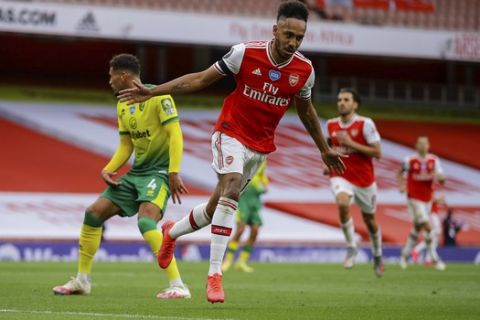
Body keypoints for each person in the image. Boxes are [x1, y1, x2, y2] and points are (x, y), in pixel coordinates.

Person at [119, 0, 345, 303]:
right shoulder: (244, 53)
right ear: (275, 30)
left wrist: (324, 149)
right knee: (232, 188)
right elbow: (200, 79)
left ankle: (171, 232)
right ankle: (214, 275)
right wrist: (154, 89)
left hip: (260, 147)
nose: (292, 42)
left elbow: (306, 111)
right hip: (229, 132)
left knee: (216, 209)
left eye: (299, 38)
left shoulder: (304, 71)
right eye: (288, 34)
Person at [52, 53, 191, 299]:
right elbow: (126, 145)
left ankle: (178, 285)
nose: (109, 81)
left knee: (146, 220)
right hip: (136, 173)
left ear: (123, 75)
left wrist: (173, 172)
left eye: (111, 75)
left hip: (158, 172)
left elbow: (175, 134)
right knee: (93, 213)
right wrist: (109, 168)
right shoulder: (122, 104)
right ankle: (82, 281)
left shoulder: (159, 96)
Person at [324, 88, 384, 277]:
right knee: (342, 203)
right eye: (339, 99)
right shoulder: (331, 124)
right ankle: (351, 246)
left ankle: (377, 254)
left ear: (355, 104)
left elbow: (377, 152)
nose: (341, 102)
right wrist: (327, 163)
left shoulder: (365, 124)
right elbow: (328, 146)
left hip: (364, 180)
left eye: (346, 100)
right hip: (341, 175)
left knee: (370, 221)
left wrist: (351, 143)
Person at [397, 136, 446, 271]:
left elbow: (442, 178)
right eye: (420, 143)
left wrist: (440, 177)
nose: (422, 146)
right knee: (428, 226)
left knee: (417, 228)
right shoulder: (410, 160)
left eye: (425, 143)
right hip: (413, 199)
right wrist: (401, 185)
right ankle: (434, 258)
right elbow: (399, 173)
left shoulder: (434, 160)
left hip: (428, 201)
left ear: (428, 145)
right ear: (416, 145)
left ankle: (404, 255)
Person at [222, 161, 269, 273]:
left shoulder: (262, 158)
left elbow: (261, 174)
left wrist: (265, 184)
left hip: (255, 196)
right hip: (243, 195)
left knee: (255, 230)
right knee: (240, 230)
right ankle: (227, 261)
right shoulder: (245, 155)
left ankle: (241, 262)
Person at [411, 194, 446, 265]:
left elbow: (437, 201)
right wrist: (440, 198)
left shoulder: (430, 190)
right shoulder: (429, 191)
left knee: (434, 240)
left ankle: (428, 259)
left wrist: (441, 200)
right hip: (432, 214)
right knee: (435, 235)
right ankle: (419, 252)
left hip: (432, 214)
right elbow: (431, 199)